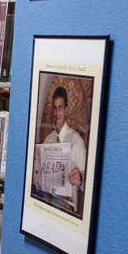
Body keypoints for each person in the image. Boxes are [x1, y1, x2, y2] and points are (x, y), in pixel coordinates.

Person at [34, 85, 87, 215]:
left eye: (60, 108)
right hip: (47, 198)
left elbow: (87, 178)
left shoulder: (76, 141)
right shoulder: (48, 140)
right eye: (54, 108)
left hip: (66, 205)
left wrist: (80, 178)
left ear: (66, 110)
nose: (57, 113)